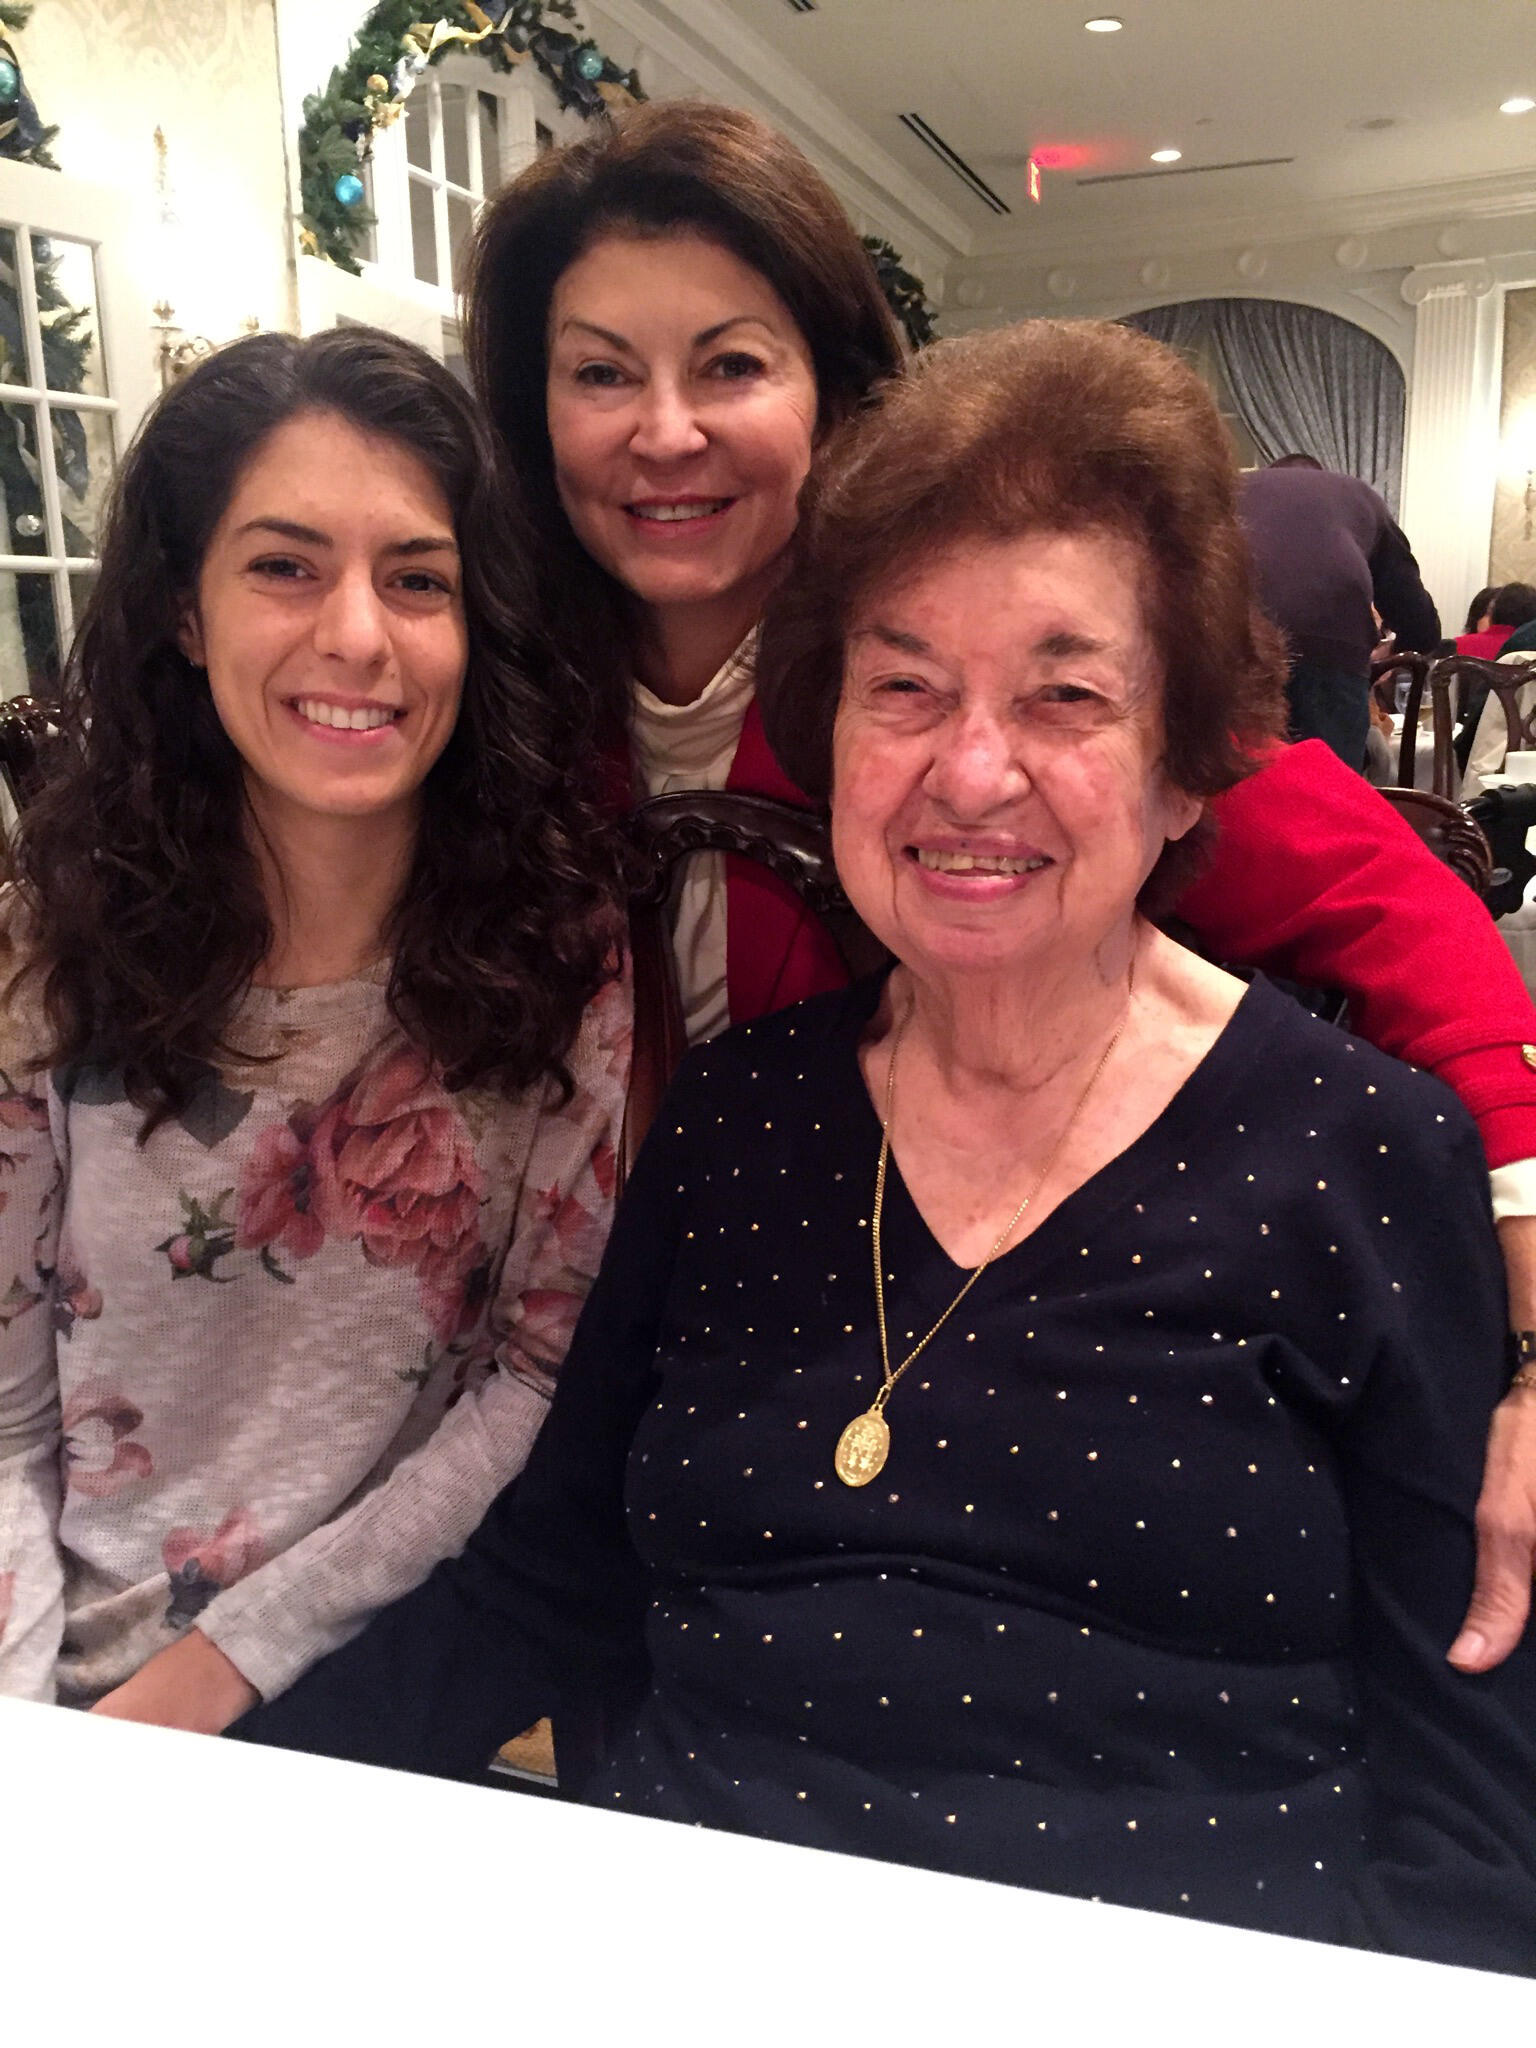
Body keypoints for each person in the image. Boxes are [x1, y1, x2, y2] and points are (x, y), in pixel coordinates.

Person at [240, 322, 1536, 1976]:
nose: (971, 769)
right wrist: (186, 1794)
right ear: (832, 733)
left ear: (1183, 767)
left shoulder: (1363, 1154)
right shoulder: (740, 1119)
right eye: (904, 686)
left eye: (1065, 695)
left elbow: (1477, 1803)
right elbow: (546, 1581)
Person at [457, 99, 1536, 1655]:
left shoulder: (976, 692)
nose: (665, 430)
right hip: (568, 1345)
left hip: (867, 1337)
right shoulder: (497, 692)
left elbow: (1394, 912)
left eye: (733, 364)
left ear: (835, 395)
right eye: (600, 373)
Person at [0, 328, 629, 1728]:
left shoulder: (560, 951)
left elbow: (533, 1381)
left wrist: (209, 1678)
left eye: (417, 581)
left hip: (378, 1665)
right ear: (185, 609)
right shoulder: (44, 942)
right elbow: (6, 1421)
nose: (359, 635)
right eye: (285, 566)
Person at [1237, 453, 1440, 770]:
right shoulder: (1357, 494)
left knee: (1230, 789)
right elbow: (1420, 624)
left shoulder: (1234, 489)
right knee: (1328, 789)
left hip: (1232, 644)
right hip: (1329, 646)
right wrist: (1393, 652)